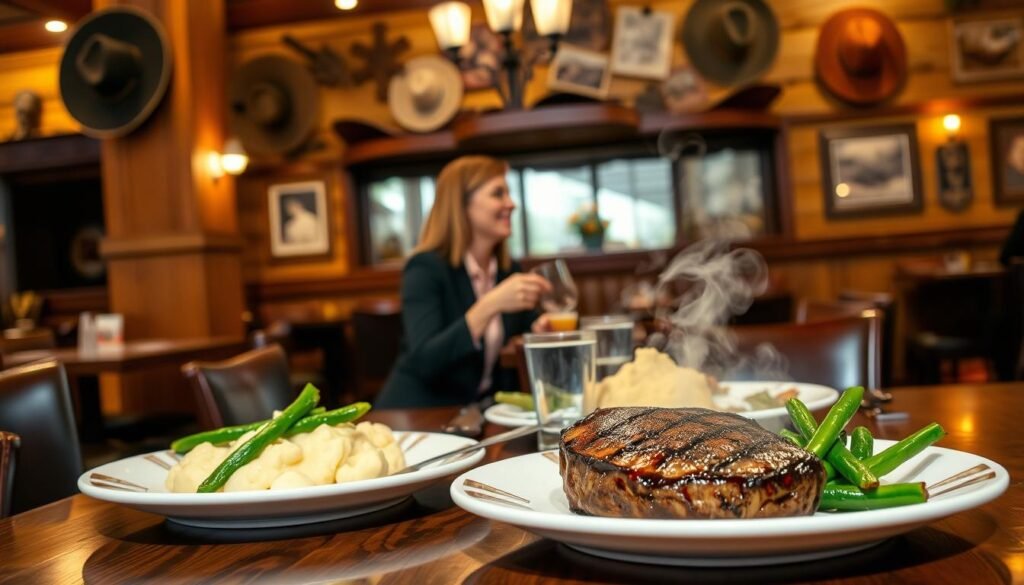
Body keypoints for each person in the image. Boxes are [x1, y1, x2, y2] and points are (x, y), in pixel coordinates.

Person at [376, 156, 551, 408]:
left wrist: (538, 329)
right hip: (417, 415)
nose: (511, 204)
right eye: (498, 194)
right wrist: (490, 304)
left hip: (473, 415)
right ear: (462, 205)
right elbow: (426, 361)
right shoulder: (425, 268)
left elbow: (520, 332)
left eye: (508, 194)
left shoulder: (506, 269)